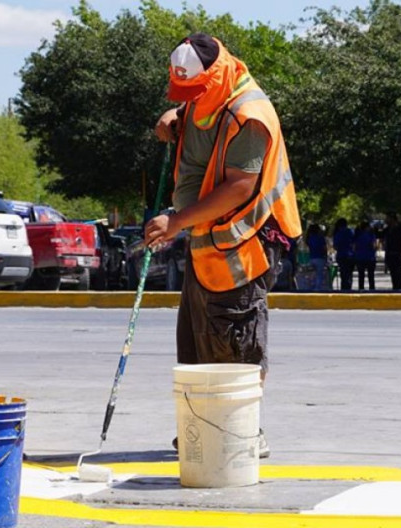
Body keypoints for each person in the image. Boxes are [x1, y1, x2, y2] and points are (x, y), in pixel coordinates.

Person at [144, 33, 302, 459]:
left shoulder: (251, 116)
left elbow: (239, 187)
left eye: (195, 91)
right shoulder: (206, 97)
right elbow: (196, 111)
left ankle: (242, 432)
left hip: (243, 245)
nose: (190, 98)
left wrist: (175, 221)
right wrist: (173, 115)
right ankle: (204, 427)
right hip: (205, 241)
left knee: (235, 340)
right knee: (198, 339)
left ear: (216, 75)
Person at [382, 212, 401, 290]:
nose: (386, 220)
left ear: (392, 219)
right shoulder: (387, 229)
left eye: (387, 218)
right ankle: (395, 289)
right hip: (390, 254)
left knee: (398, 273)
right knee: (393, 274)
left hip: (398, 254)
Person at [332, 218, 354, 291]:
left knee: (343, 273)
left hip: (341, 255)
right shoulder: (350, 232)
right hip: (350, 255)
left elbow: (335, 246)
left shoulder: (338, 233)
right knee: (349, 273)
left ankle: (344, 289)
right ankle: (349, 287)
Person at [353, 221, 376, 290]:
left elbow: (354, 247)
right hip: (370, 257)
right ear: (367, 227)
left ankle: (361, 289)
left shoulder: (357, 235)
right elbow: (373, 245)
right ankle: (372, 290)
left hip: (360, 257)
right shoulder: (371, 235)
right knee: (371, 276)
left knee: (361, 276)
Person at [306, 224, 328, 290]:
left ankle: (310, 287)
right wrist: (326, 257)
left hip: (312, 257)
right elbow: (324, 248)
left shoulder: (309, 238)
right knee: (319, 275)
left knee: (312, 274)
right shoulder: (320, 237)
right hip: (320, 258)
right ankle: (317, 289)